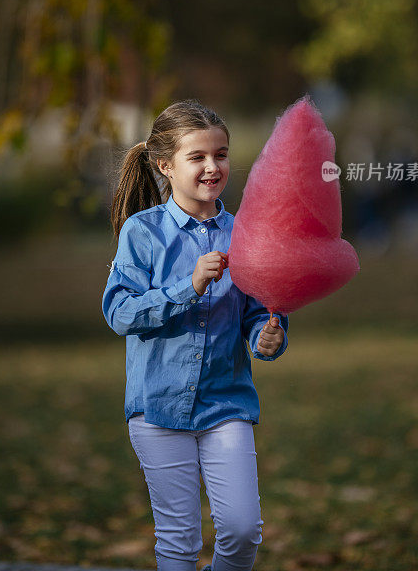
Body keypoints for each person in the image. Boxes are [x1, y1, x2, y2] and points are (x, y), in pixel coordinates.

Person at [101, 98, 289, 571]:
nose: (213, 166)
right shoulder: (141, 233)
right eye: (198, 157)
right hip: (157, 407)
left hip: (227, 403)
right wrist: (187, 287)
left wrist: (269, 336)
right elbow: (119, 313)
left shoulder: (247, 234)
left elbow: (256, 313)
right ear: (166, 165)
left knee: (244, 532)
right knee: (178, 543)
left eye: (221, 154)